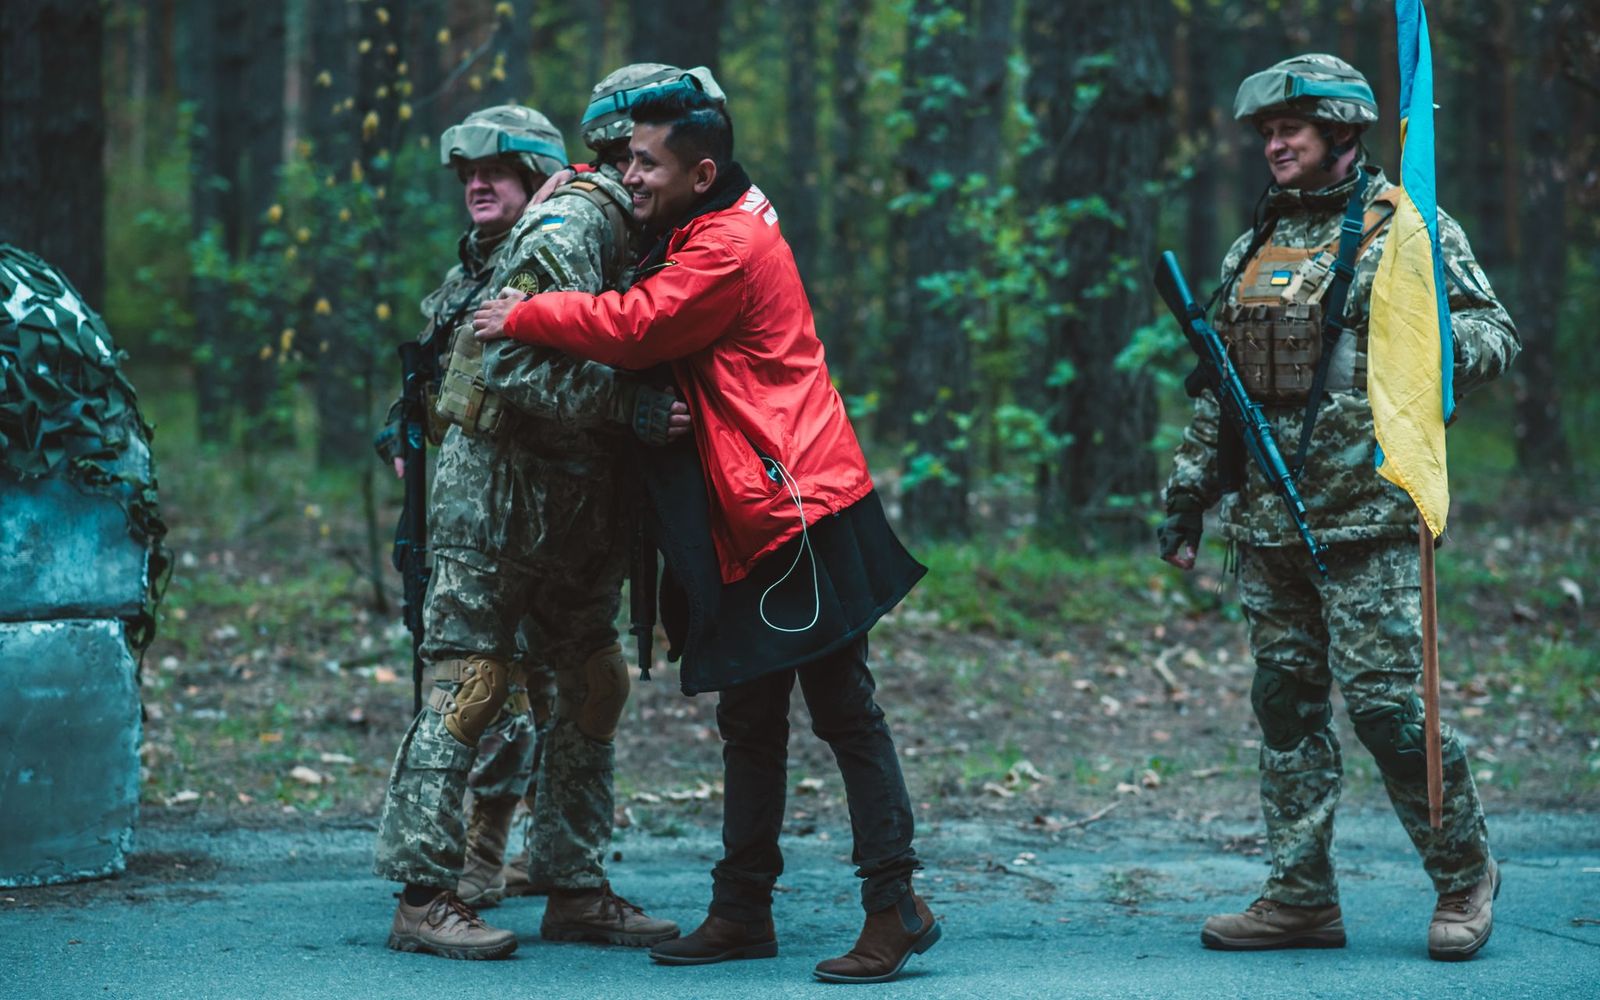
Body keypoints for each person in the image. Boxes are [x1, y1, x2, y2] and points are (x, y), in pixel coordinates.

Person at [473, 87, 940, 985]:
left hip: (798, 511)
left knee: (846, 713)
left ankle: (896, 906)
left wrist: (522, 314)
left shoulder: (728, 245)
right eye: (624, 159)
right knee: (749, 719)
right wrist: (582, 179)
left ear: (702, 172)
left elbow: (639, 326)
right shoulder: (703, 214)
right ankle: (741, 911)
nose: (630, 175)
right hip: (753, 513)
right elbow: (643, 237)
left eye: (644, 162)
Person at [1157, 54, 1519, 960]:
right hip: (1270, 526)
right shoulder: (1257, 244)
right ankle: (1300, 897)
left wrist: (1430, 348)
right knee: (1286, 709)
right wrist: (1188, 495)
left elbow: (1494, 332)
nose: (1274, 145)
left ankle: (1464, 875)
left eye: (1290, 129)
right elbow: (1222, 389)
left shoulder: (1408, 228)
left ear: (1340, 130)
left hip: (1371, 519)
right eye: (1266, 133)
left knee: (1390, 711)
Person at [372, 101, 679, 960]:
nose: (478, 186)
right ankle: (425, 895)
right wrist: (630, 407)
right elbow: (487, 371)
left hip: (577, 509)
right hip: (492, 506)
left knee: (590, 685)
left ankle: (572, 884)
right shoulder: (506, 261)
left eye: (498, 173)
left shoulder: (581, 236)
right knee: (468, 686)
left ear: (539, 176)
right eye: (468, 175)